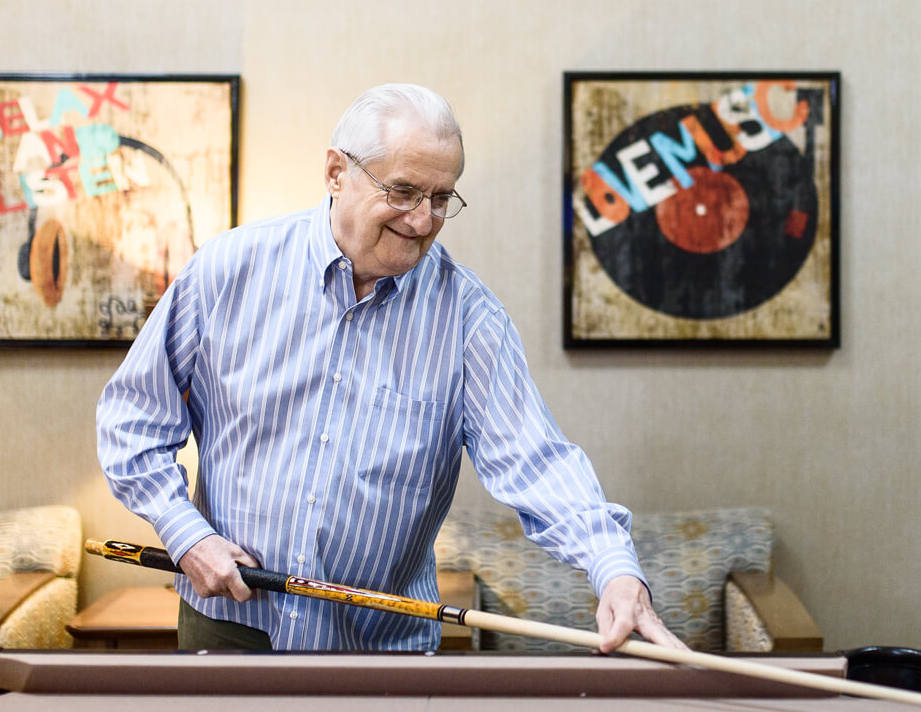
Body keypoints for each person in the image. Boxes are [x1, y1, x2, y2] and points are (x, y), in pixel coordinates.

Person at [97, 83, 684, 654]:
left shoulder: (468, 318)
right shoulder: (230, 269)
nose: (423, 220)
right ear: (335, 172)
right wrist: (187, 535)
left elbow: (535, 460)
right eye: (403, 191)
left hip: (380, 645)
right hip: (233, 626)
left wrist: (614, 570)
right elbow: (132, 420)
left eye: (440, 198)